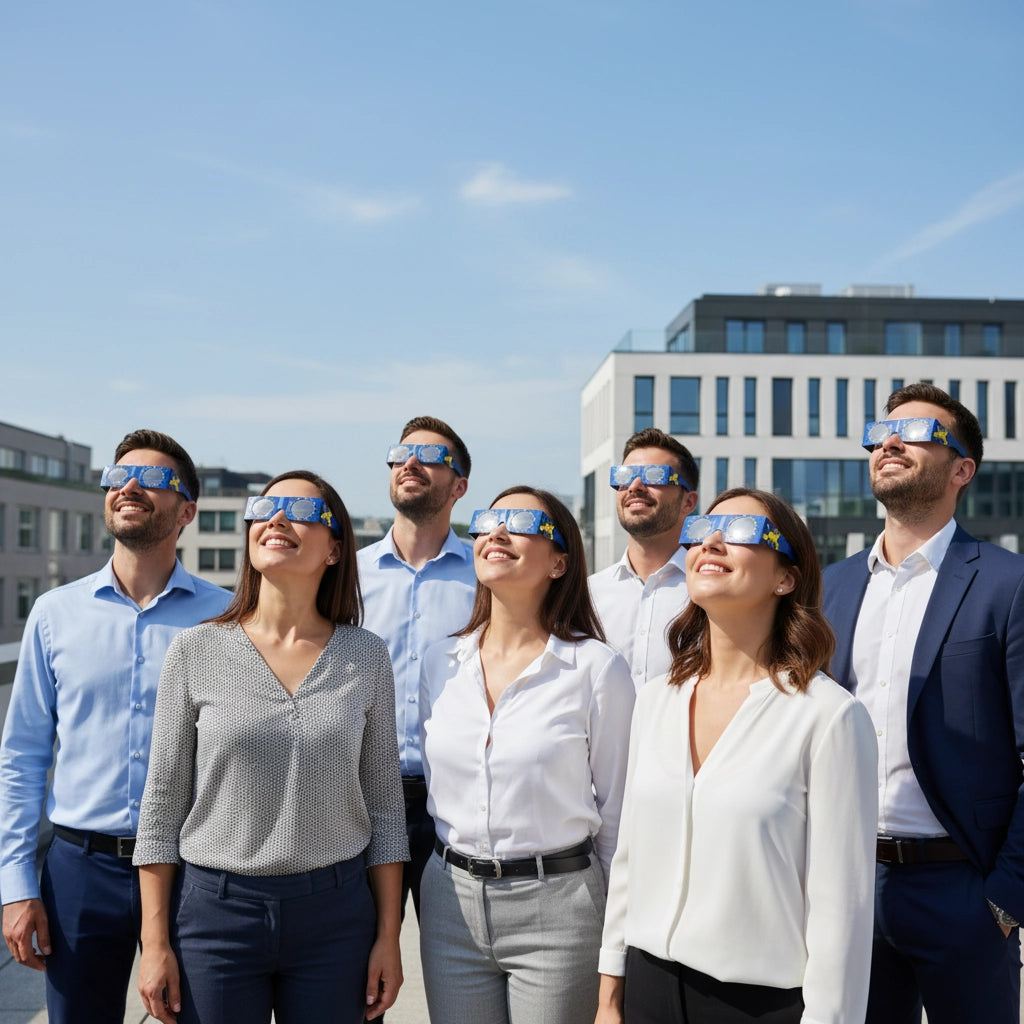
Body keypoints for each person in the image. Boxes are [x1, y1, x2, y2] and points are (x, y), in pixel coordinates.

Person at [133, 471, 408, 1024]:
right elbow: (161, 808)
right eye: (266, 508)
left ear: (334, 549)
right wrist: (155, 943)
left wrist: (388, 937)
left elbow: (384, 808)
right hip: (216, 916)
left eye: (300, 512)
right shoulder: (195, 650)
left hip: (336, 915)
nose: (277, 519)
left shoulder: (366, 656)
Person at [598, 488, 877, 1024]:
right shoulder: (657, 698)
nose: (714, 542)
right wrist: (611, 994)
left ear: (785, 577)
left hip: (760, 1004)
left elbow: (841, 912)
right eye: (702, 530)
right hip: (649, 987)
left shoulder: (829, 717)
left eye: (743, 532)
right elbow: (630, 858)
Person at [0, 429, 230, 1024]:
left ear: (188, 511)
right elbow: (23, 754)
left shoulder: (229, 617)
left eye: (152, 478)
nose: (128, 486)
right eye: (117, 476)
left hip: (194, 872)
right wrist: (17, 883)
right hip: (79, 871)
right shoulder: (55, 614)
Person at [822, 382, 1024, 1024]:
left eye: (916, 434)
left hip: (963, 891)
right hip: (846, 887)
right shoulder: (831, 588)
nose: (890, 443)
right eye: (881, 433)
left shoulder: (1007, 584)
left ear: (962, 468)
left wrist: (1007, 898)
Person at [419, 486, 636, 1024]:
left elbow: (618, 815)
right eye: (488, 521)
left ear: (560, 562)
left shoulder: (595, 669)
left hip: (560, 906)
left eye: (519, 523)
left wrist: (615, 939)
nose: (496, 532)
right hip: (451, 902)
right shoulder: (439, 661)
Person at [357, 415, 476, 920]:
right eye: (402, 453)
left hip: (455, 800)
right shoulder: (345, 577)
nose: (410, 463)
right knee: (355, 979)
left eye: (431, 458)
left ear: (460, 486)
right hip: (359, 796)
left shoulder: (488, 577)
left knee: (458, 974)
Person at [589, 428, 699, 688]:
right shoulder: (587, 594)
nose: (635, 487)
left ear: (688, 502)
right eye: (625, 477)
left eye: (654, 476)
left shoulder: (710, 593)